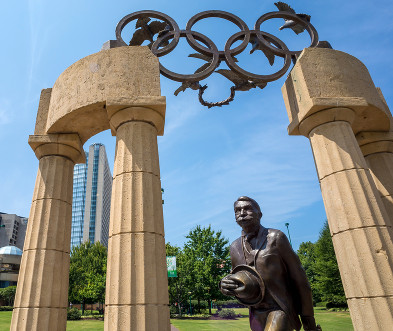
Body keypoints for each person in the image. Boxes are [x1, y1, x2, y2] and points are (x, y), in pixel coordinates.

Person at [220, 196, 319, 331]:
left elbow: (300, 279)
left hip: (280, 308)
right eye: (237, 210)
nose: (242, 213)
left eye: (247, 209)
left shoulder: (276, 237)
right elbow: (237, 277)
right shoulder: (234, 247)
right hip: (255, 313)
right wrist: (225, 285)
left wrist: (308, 319)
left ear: (259, 214)